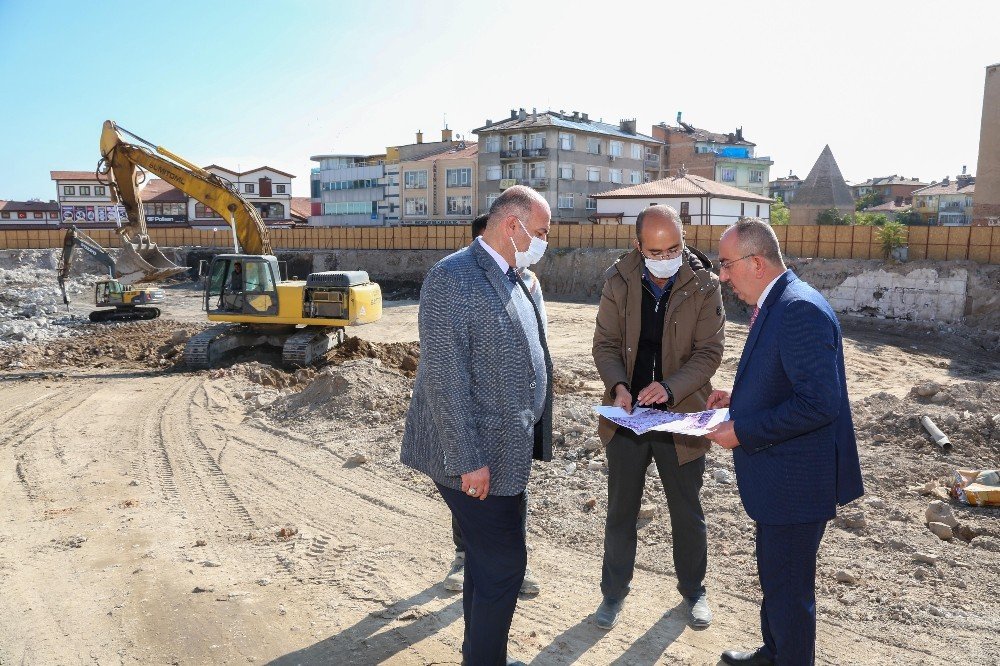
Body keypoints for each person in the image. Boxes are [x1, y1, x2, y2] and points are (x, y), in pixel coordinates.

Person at [401, 185, 553, 666]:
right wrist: (468, 461)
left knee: (489, 563)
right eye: (542, 231)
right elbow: (444, 377)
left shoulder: (523, 279)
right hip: (474, 458)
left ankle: (478, 654)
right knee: (506, 564)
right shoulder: (453, 278)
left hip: (508, 449)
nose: (546, 241)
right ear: (514, 225)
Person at [705, 217, 864, 666]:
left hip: (796, 482)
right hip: (781, 479)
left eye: (726, 264)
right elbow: (790, 380)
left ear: (755, 262)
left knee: (790, 591)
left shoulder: (798, 309)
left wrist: (743, 429)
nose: (722, 275)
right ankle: (772, 653)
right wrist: (741, 399)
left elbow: (819, 403)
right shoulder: (778, 301)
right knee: (776, 580)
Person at [591, 204, 725, 630]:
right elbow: (606, 344)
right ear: (638, 246)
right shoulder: (619, 279)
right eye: (655, 250)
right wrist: (618, 387)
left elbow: (709, 353)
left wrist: (670, 388)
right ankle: (613, 594)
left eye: (674, 248)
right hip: (628, 416)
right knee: (621, 511)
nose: (665, 257)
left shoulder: (705, 285)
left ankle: (694, 591)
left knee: (687, 511)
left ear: (683, 242)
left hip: (681, 417)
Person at [442, 213, 542, 597]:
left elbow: (539, 344)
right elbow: (449, 369)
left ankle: (512, 561)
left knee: (513, 492)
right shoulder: (457, 279)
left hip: (517, 413)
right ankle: (465, 556)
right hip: (481, 411)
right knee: (471, 488)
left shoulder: (528, 282)